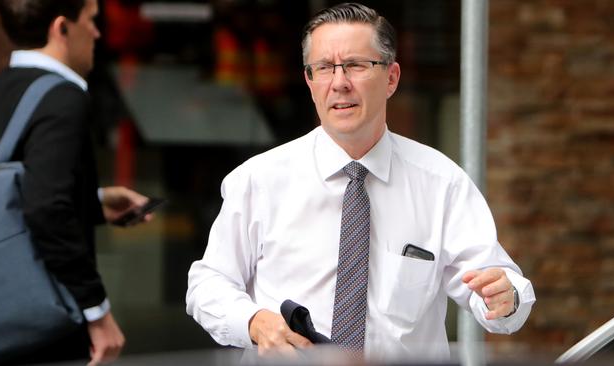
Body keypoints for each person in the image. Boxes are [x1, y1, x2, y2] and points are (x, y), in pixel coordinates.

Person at [186, 2, 536, 362]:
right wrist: (254, 321)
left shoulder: (441, 183)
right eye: (324, 68)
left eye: (356, 65)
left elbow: (502, 292)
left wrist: (506, 297)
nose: (339, 83)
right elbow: (206, 285)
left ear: (391, 78)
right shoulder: (259, 180)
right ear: (309, 80)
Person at [0, 0, 151, 364]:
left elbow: (16, 189)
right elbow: (45, 206)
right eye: (91, 21)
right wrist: (97, 311)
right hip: (43, 321)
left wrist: (91, 201)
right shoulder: (63, 98)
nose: (96, 33)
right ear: (61, 27)